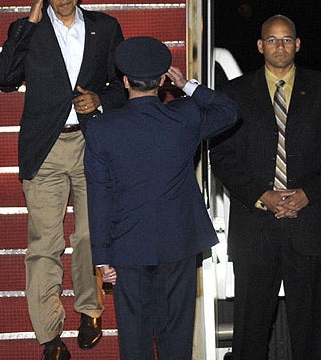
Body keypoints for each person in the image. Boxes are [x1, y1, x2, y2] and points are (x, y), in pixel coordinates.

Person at [84, 36, 240, 360]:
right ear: (161, 82)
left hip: (127, 246)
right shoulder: (183, 117)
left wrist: (101, 255)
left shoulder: (101, 129)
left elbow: (99, 196)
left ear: (125, 82)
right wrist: (189, 86)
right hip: (178, 244)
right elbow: (229, 111)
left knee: (135, 339)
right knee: (176, 335)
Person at [210, 15, 321, 360]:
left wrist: (307, 194)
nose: (280, 46)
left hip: (309, 226)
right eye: (272, 40)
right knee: (250, 331)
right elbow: (223, 157)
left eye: (287, 39)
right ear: (260, 46)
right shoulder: (235, 93)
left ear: (298, 44)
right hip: (256, 229)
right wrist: (264, 196)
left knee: (312, 331)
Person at [0, 1, 127, 358]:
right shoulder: (29, 28)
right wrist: (30, 21)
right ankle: (49, 336)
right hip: (45, 147)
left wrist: (100, 99)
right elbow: (4, 76)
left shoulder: (106, 27)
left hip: (92, 143)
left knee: (89, 234)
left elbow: (124, 87)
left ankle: (90, 311)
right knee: (44, 245)